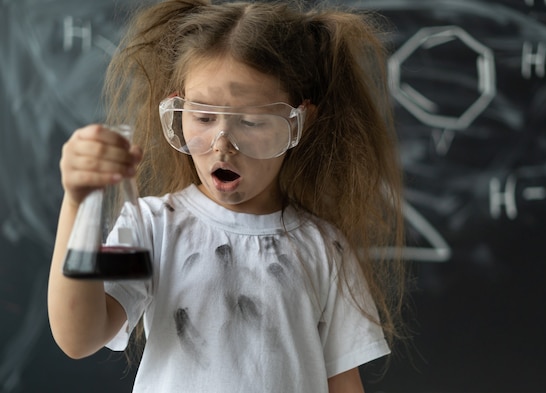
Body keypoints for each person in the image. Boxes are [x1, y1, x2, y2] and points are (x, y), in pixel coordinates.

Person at [48, 0, 406, 392]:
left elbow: (342, 382)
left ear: (300, 122)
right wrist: (78, 201)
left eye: (251, 121)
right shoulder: (152, 226)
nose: (223, 145)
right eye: (202, 117)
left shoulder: (324, 247)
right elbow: (78, 336)